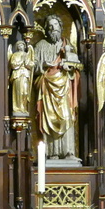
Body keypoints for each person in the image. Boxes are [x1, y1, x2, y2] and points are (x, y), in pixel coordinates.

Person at [35, 14, 82, 160]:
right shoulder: (41, 46)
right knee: (49, 118)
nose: (52, 28)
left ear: (61, 27)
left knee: (67, 117)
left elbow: (77, 67)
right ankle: (52, 153)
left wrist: (69, 68)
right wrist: (42, 65)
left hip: (64, 87)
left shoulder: (68, 45)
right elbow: (32, 67)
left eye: (55, 24)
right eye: (50, 25)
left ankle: (69, 152)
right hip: (48, 88)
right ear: (46, 29)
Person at [8, 39, 36, 116]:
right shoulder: (14, 55)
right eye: (19, 45)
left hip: (25, 75)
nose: (21, 46)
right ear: (17, 47)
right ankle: (17, 108)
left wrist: (30, 63)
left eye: (22, 45)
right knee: (18, 92)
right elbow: (13, 64)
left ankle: (24, 108)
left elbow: (29, 64)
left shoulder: (27, 54)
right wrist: (21, 61)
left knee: (25, 92)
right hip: (17, 75)